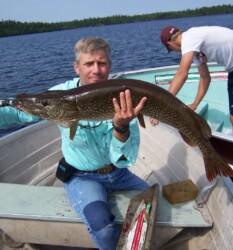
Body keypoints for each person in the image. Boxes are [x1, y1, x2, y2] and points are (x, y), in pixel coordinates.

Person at [0, 37, 149, 249]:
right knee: (104, 228)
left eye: (102, 63)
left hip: (119, 173)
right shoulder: (60, 96)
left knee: (155, 207)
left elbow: (123, 160)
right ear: (76, 67)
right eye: (89, 64)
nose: (96, 70)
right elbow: (23, 111)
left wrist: (121, 127)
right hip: (83, 177)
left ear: (109, 66)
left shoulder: (124, 99)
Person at [159, 25, 233, 140]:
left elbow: (182, 73)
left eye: (171, 50)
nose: (176, 52)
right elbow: (205, 77)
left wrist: (162, 103)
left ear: (170, 44)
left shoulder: (189, 38)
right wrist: (196, 103)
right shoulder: (195, 48)